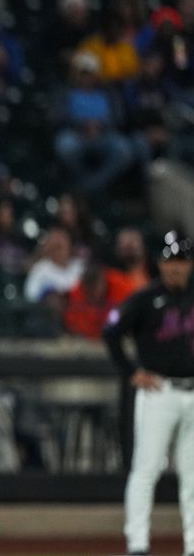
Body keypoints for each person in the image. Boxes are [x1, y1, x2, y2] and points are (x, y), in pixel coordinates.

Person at [103, 231, 194, 556]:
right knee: (146, 470)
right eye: (170, 261)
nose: (176, 268)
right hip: (159, 393)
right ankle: (138, 545)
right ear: (160, 263)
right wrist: (132, 372)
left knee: (193, 478)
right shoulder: (145, 297)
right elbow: (111, 330)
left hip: (192, 395)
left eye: (181, 261)